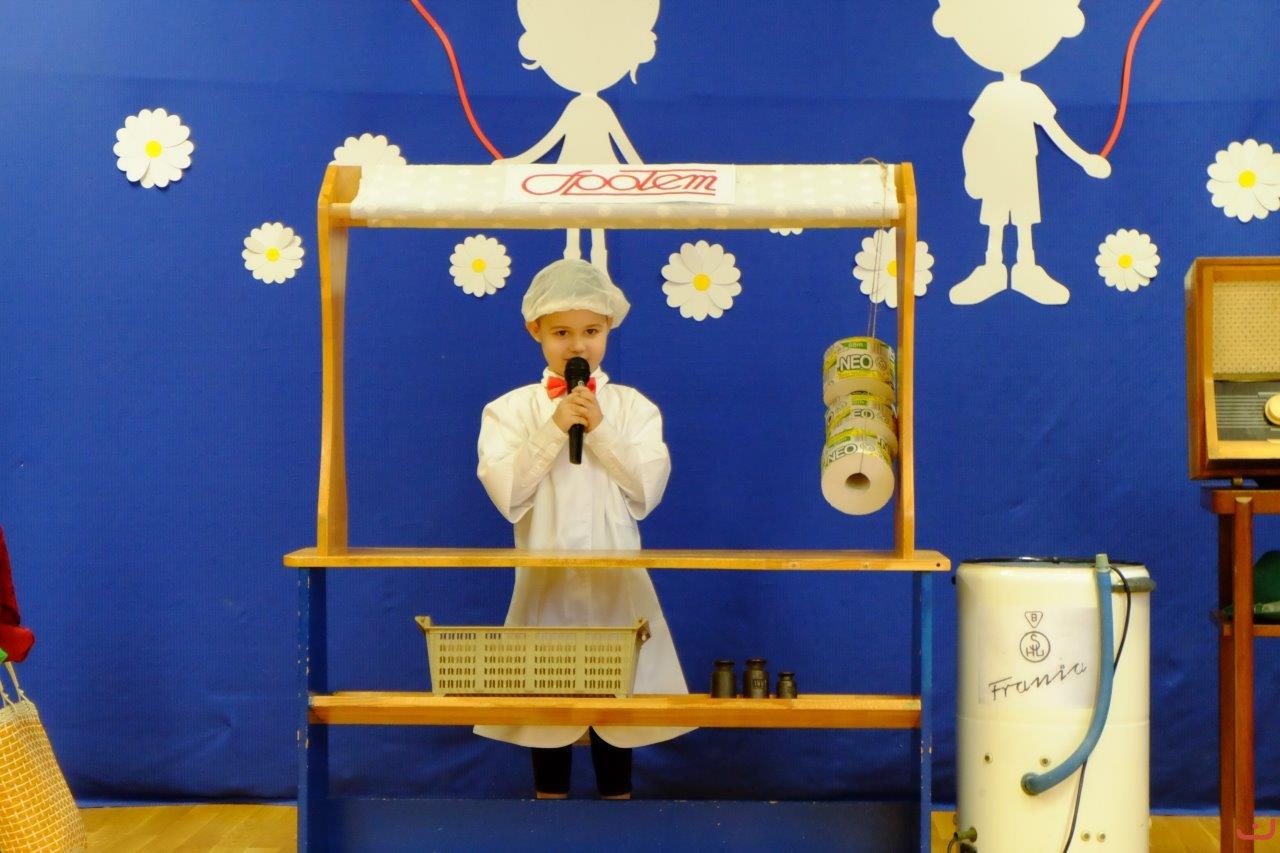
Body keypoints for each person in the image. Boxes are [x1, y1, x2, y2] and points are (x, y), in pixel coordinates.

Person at [474, 258, 690, 799]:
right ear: (536, 331)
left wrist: (601, 431)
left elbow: (646, 493)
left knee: (619, 705)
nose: (578, 346)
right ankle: (550, 813)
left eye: (591, 331)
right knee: (545, 706)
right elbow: (509, 494)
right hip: (544, 581)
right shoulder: (508, 411)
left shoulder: (634, 409)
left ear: (609, 329)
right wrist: (554, 429)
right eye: (562, 333)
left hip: (618, 581)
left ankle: (618, 810)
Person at [933, 0, 1111, 306]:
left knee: (1024, 218)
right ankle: (992, 267)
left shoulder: (1031, 94)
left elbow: (1054, 132)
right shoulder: (991, 94)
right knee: (996, 218)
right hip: (997, 168)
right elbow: (974, 137)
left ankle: (1026, 268)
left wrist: (1085, 160)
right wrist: (973, 171)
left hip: (1024, 166)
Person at [499, 0, 661, 274]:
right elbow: (551, 141)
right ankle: (572, 270)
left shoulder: (598, 109)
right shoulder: (579, 109)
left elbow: (622, 144)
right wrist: (518, 161)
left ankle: (599, 273)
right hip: (572, 176)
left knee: (596, 224)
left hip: (600, 176)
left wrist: (645, 174)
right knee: (574, 222)